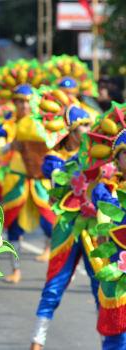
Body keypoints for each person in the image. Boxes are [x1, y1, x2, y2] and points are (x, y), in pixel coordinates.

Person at [30, 94, 109, 349]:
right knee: (54, 284)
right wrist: (78, 163)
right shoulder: (55, 158)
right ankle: (36, 342)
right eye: (82, 126)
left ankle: (107, 342)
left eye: (89, 125)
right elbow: (55, 181)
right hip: (67, 225)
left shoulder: (102, 159)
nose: (87, 130)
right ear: (71, 130)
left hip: (94, 226)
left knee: (102, 286)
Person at [0, 84, 55, 282]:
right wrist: (10, 145)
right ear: (14, 102)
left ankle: (56, 266)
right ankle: (16, 269)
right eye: (20, 101)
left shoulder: (43, 123)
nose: (25, 105)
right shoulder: (7, 125)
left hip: (39, 182)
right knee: (13, 226)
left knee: (50, 223)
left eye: (28, 101)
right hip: (16, 182)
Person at [79, 103, 126, 349]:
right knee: (117, 335)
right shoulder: (107, 190)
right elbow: (104, 223)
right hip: (118, 267)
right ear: (117, 158)